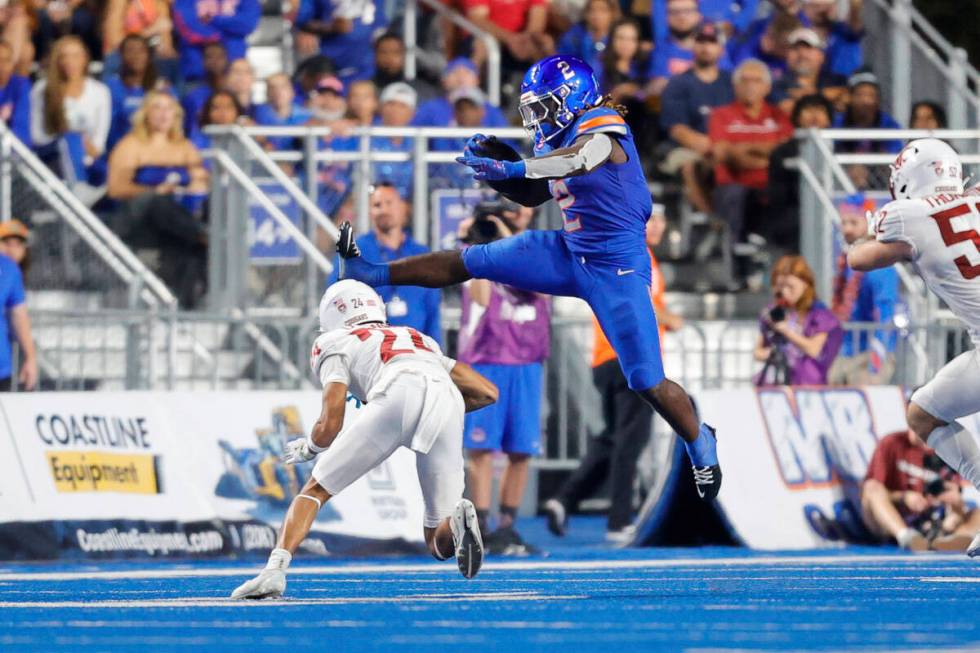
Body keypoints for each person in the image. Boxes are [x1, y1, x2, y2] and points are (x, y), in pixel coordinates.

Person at [338, 55, 723, 501]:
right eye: (533, 108)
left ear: (575, 97)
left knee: (645, 381)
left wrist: (516, 167)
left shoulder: (603, 125)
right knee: (473, 260)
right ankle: (371, 272)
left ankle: (699, 438)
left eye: (545, 106)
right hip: (568, 251)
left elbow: (580, 159)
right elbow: (535, 192)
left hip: (617, 268)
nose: (538, 117)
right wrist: (501, 170)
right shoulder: (555, 137)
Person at [230, 280, 498, 598]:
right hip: (446, 398)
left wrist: (310, 447)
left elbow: (330, 424)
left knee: (314, 491)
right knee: (437, 542)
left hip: (397, 389)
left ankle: (275, 570)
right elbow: (486, 392)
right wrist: (436, 412)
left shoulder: (333, 340)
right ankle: (456, 522)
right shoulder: (417, 337)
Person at [847, 138, 980, 556]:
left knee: (923, 416)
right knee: (923, 411)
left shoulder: (909, 215)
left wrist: (866, 230)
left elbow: (858, 259)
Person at [544, 206, 683, 542]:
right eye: (653, 218)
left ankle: (565, 500)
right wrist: (668, 319)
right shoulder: (636, 253)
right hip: (629, 358)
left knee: (612, 438)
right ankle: (619, 519)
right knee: (629, 442)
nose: (660, 225)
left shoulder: (615, 249)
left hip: (605, 357)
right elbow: (639, 302)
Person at [455, 200, 550, 555]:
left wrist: (508, 239)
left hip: (527, 362)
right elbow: (478, 292)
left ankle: (507, 529)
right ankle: (479, 528)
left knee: (521, 451)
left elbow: (542, 287)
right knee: (481, 448)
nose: (514, 214)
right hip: (487, 360)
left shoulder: (541, 250)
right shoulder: (477, 254)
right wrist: (480, 242)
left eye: (518, 209)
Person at [107, 90, 209, 307]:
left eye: (168, 108)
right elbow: (116, 188)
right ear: (146, 113)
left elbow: (203, 179)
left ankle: (186, 308)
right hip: (140, 217)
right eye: (157, 107)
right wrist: (153, 190)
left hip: (175, 222)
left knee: (192, 250)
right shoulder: (130, 145)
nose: (163, 114)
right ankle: (201, 233)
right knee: (158, 202)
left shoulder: (184, 147)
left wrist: (189, 184)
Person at [328, 184, 441, 344]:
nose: (384, 210)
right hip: (371, 349)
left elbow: (432, 309)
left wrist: (436, 353)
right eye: (377, 205)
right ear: (369, 212)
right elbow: (336, 298)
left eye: (389, 203)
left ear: (403, 207)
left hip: (416, 349)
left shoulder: (421, 253)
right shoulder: (353, 252)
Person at [709, 59, 792, 249]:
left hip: (771, 185)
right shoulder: (721, 115)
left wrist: (742, 148)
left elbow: (784, 151)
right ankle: (736, 257)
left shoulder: (779, 116)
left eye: (756, 81)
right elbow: (723, 153)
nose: (750, 86)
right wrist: (767, 154)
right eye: (744, 81)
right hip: (733, 185)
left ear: (768, 87)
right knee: (736, 195)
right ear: (735, 86)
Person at [861, 429, 980, 552]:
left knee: (977, 514)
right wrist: (903, 497)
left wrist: (955, 507)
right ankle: (906, 537)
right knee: (871, 487)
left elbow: (956, 509)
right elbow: (870, 492)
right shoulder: (891, 442)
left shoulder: (949, 453)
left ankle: (956, 539)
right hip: (893, 523)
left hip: (933, 522)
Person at [659, 22, 733, 215]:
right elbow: (677, 130)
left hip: (728, 147)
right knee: (689, 165)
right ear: (693, 45)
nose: (706, 47)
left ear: (721, 48)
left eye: (712, 41)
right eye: (701, 41)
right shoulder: (678, 83)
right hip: (688, 148)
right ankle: (712, 220)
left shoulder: (732, 82)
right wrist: (713, 148)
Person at [829, 197, 898, 385]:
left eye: (854, 222)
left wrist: (876, 360)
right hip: (845, 351)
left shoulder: (880, 263)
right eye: (844, 223)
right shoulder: (846, 263)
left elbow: (885, 312)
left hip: (869, 354)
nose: (847, 229)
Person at [30, 36, 111, 193]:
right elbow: (37, 136)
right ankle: (79, 190)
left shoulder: (100, 91)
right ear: (56, 61)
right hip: (51, 156)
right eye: (64, 56)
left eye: (75, 56)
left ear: (85, 59)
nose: (69, 62)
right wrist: (67, 139)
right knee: (70, 140)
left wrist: (86, 148)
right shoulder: (42, 89)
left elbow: (99, 142)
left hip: (89, 157)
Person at [753, 255, 843, 386]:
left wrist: (787, 332)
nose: (785, 292)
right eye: (780, 287)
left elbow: (814, 349)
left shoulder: (820, 314)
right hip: (776, 384)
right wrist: (774, 354)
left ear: (805, 284)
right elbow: (757, 352)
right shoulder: (773, 312)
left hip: (808, 386)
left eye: (790, 287)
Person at [766, 93, 833, 249]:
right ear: (796, 117)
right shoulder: (782, 153)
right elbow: (779, 198)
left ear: (829, 119)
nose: (814, 116)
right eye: (808, 110)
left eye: (820, 110)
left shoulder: (839, 151)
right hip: (793, 214)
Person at [295, 0, 387, 86]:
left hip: (366, 66)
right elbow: (303, 22)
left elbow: (381, 25)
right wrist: (331, 27)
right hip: (329, 64)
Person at [171, 0, 260, 83]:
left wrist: (212, 20)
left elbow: (247, 24)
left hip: (233, 72)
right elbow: (185, 25)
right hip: (195, 73)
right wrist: (224, 34)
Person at [769, 27, 847, 115]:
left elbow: (851, 97)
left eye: (808, 48)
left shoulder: (837, 80)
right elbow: (788, 109)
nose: (802, 54)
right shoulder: (777, 85)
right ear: (787, 56)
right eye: (795, 49)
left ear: (821, 56)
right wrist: (830, 97)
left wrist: (813, 94)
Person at [105, 35, 164, 151]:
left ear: (148, 55)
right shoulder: (110, 88)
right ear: (120, 56)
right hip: (120, 151)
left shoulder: (162, 88)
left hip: (156, 152)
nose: (136, 56)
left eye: (141, 51)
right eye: (130, 51)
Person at [412, 58, 507, 129]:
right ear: (444, 81)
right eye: (455, 73)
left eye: (467, 73)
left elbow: (508, 142)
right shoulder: (430, 109)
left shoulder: (491, 110)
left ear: (477, 80)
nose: (461, 79)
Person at [463, 0, 553, 74]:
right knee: (483, 45)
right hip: (488, 36)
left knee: (544, 43)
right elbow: (478, 20)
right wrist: (510, 39)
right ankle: (468, 89)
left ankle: (552, 86)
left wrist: (526, 39)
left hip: (520, 38)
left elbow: (537, 20)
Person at [645, 0, 705, 97]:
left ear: (698, 16)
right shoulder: (659, 49)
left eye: (687, 11)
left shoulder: (713, 48)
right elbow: (656, 87)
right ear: (666, 17)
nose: (681, 17)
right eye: (675, 12)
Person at [0, 230, 36, 391]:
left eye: (18, 244)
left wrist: (31, 358)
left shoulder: (8, 269)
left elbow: (19, 314)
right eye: (7, 243)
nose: (13, 249)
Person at [834, 70, 903, 154]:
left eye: (871, 95)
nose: (865, 101)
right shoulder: (837, 123)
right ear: (850, 98)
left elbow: (894, 156)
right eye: (860, 95)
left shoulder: (890, 125)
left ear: (878, 99)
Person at [556, 0, 620, 76]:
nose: (596, 15)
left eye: (603, 10)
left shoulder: (619, 36)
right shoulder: (574, 35)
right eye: (592, 10)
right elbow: (561, 62)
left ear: (612, 14)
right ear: (586, 14)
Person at [802, 0, 864, 77]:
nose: (822, 10)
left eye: (827, 6)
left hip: (845, 84)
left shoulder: (844, 31)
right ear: (805, 9)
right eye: (816, 6)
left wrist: (855, 7)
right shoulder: (800, 36)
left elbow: (855, 26)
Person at [254, 73, 313, 151]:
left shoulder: (307, 117)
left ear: (292, 91)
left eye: (283, 87)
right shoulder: (256, 115)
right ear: (266, 93)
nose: (278, 92)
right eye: (272, 88)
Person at [180, 41, 227, 134]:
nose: (215, 61)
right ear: (203, 61)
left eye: (219, 56)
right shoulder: (193, 93)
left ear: (226, 59)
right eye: (210, 56)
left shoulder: (232, 90)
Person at [0, 39, 30, 145]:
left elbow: (21, 129)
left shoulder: (21, 85)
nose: (1, 66)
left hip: (16, 151)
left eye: (6, 60)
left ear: (13, 63)